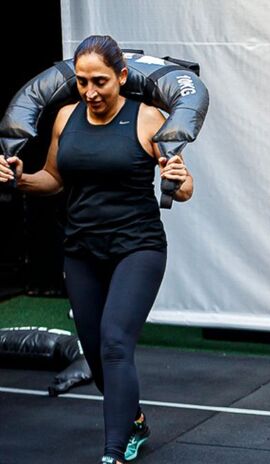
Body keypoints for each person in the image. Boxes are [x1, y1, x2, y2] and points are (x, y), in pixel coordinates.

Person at [0, 35, 193, 464]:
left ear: (122, 76)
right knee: (96, 352)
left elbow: (185, 188)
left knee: (115, 343)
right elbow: (52, 177)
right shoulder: (66, 117)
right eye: (83, 82)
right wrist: (18, 178)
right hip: (82, 249)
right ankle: (135, 421)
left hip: (137, 247)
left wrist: (178, 178)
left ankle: (113, 453)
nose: (91, 91)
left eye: (101, 81)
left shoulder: (147, 119)